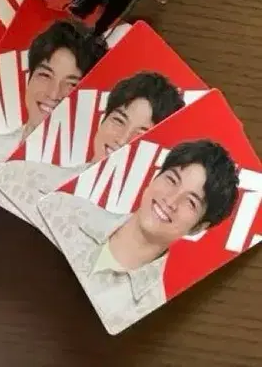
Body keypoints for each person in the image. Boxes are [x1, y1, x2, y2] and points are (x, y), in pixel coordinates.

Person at [39, 139, 239, 335]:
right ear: (155, 177)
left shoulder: (148, 313)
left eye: (191, 202)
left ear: (198, 227)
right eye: (172, 180)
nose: (170, 200)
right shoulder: (63, 210)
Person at [0, 71, 185, 232]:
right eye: (118, 121)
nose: (122, 139)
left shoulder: (139, 232)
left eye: (141, 135)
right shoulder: (28, 177)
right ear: (103, 120)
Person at [0, 20, 107, 188]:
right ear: (29, 79)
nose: (54, 93)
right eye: (45, 75)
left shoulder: (87, 184)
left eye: (72, 85)